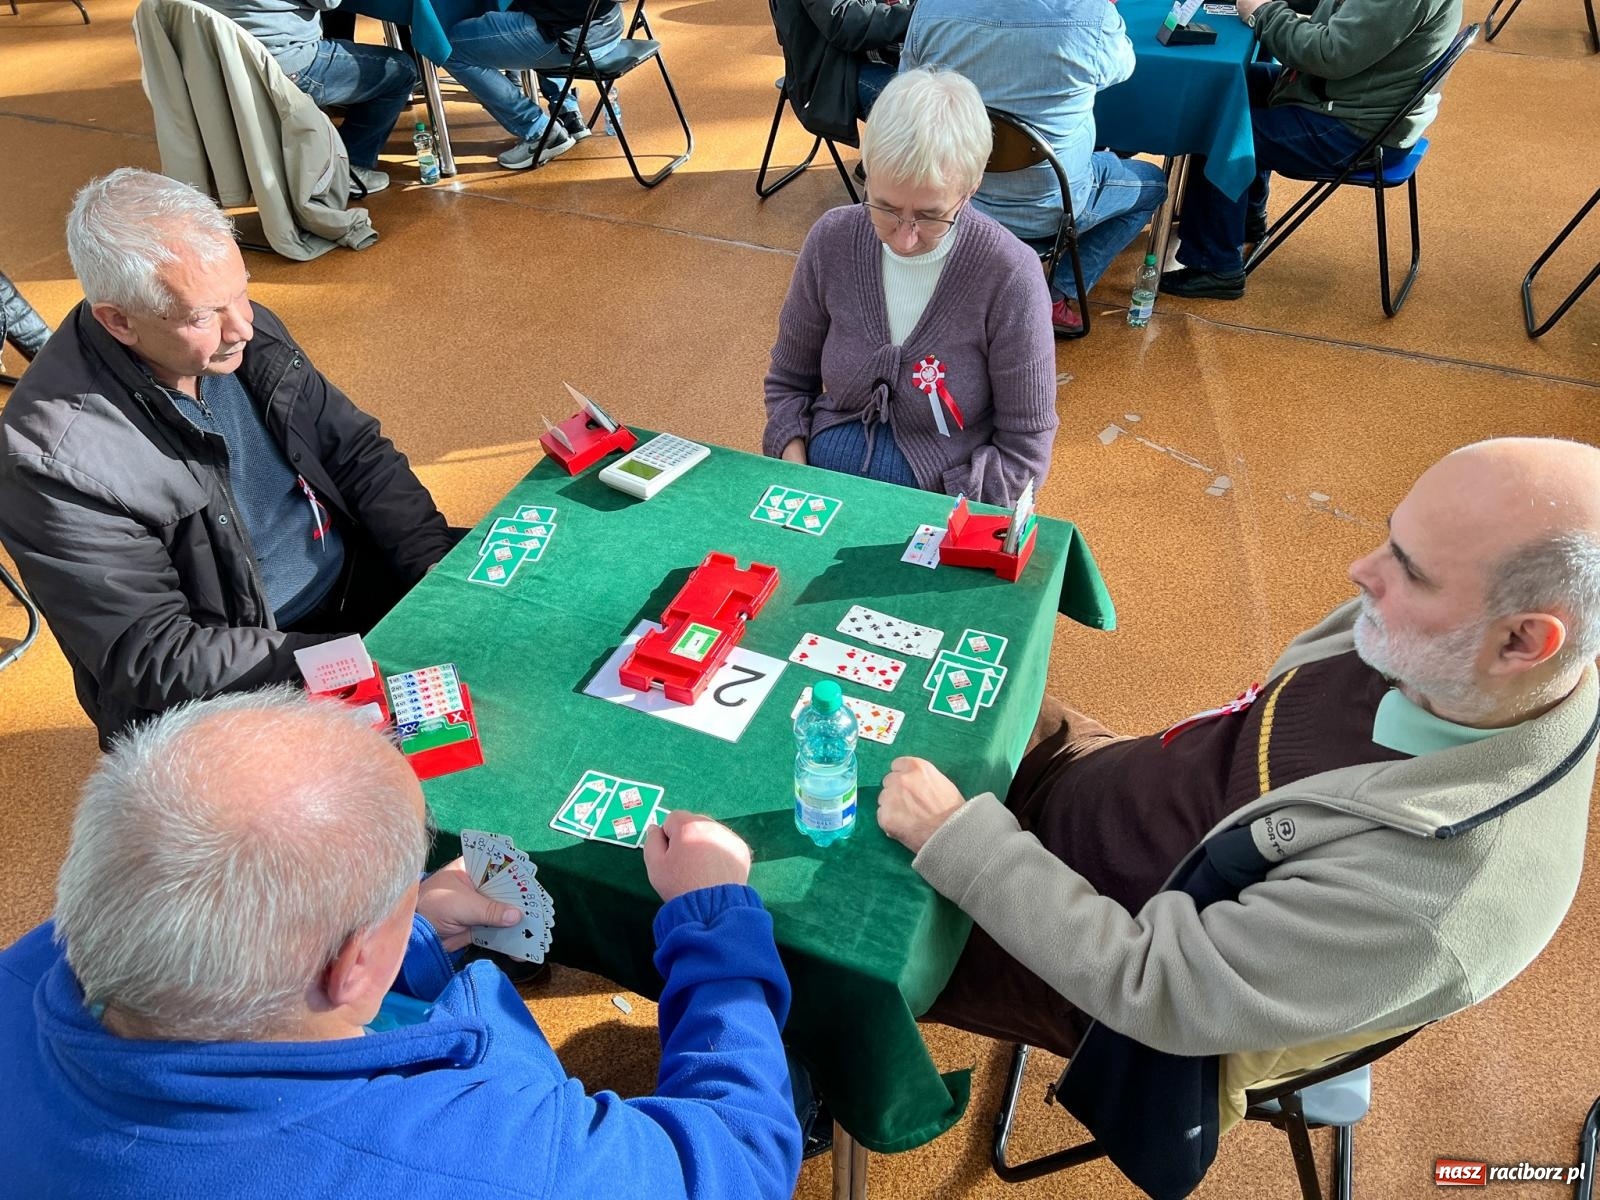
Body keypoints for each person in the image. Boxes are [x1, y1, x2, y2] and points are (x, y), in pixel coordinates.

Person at [876, 437, 1600, 1188]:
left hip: (1099, 968)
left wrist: (965, 846)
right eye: (1391, 536)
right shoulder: (1451, 655)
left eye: (1409, 571)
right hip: (1104, 785)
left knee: (823, 926)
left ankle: (806, 1084)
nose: (1363, 573)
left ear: (1523, 641)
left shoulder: (1438, 898)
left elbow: (1153, 989)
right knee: (923, 689)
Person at [0, 689, 803, 1198]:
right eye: (395, 891)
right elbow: (736, 1163)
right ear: (351, 967)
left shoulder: (37, 960)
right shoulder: (497, 1161)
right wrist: (711, 915)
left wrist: (410, 935)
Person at [0, 169, 456, 747]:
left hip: (348, 596)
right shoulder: (50, 461)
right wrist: (351, 659)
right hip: (231, 692)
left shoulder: (239, 331)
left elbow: (357, 453)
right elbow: (154, 654)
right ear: (118, 320)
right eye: (202, 316)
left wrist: (434, 574)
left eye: (241, 290)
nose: (243, 325)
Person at [763, 67, 1056, 508]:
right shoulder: (832, 240)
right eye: (884, 207)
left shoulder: (1011, 273)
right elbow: (788, 381)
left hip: (942, 504)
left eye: (931, 215)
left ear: (971, 189)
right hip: (816, 482)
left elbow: (1025, 447)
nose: (904, 237)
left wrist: (951, 507)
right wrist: (793, 461)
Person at [1160, 0, 1463, 300]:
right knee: (1219, 87)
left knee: (1221, 129)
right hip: (1351, 99)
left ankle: (1214, 265)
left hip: (1355, 130)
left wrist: (1264, 13)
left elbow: (1329, 54)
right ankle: (1244, 220)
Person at [900, 0, 1168, 335]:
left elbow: (907, 89)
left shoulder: (932, 8)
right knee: (1155, 185)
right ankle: (1056, 292)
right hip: (1053, 206)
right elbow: (1123, 67)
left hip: (953, 200)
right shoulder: (1090, 14)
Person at [196, 0, 418, 192]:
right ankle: (350, 166)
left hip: (211, 66)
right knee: (402, 71)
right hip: (283, 66)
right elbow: (329, 3)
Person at [443, 0, 628, 170]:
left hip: (572, 38)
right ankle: (567, 111)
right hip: (608, 27)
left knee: (448, 47)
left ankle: (539, 130)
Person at [771, 0, 915, 150]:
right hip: (834, 71)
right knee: (927, 109)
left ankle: (888, 156)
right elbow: (844, 22)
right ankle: (887, 160)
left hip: (886, 51)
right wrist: (919, 15)